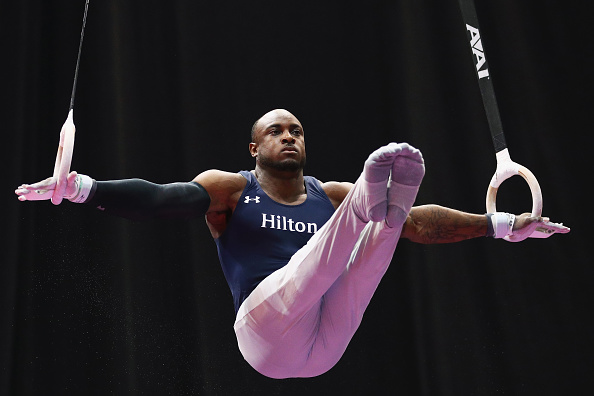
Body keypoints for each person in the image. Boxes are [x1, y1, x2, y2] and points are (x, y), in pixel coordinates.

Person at [15, 109, 569, 379]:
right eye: (276, 131)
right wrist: (82, 188)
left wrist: (501, 224)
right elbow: (161, 199)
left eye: (297, 131)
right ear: (254, 146)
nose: (288, 137)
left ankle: (383, 206)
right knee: (326, 251)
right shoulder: (230, 191)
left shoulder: (324, 193)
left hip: (326, 345)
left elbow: (424, 227)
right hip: (264, 334)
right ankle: (373, 205)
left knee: (385, 234)